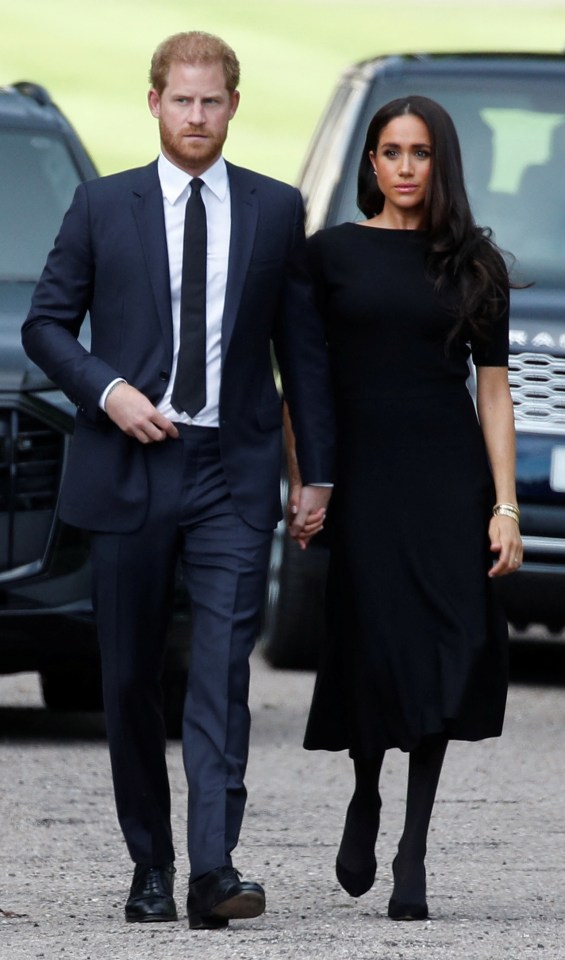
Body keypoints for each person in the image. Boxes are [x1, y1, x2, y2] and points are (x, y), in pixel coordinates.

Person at [22, 31, 334, 930]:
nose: (196, 116)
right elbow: (46, 327)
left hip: (229, 473)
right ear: (153, 102)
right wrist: (111, 392)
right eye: (181, 100)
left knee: (221, 674)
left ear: (235, 105)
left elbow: (300, 355)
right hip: (129, 467)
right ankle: (149, 866)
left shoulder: (277, 211)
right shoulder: (99, 206)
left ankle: (212, 869)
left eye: (212, 101)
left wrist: (315, 474)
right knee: (127, 679)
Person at [298, 95, 522, 920]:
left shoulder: (473, 265)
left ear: (440, 163)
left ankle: (412, 850)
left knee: (445, 649)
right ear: (370, 163)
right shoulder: (328, 258)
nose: (401, 167)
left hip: (446, 482)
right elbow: (304, 382)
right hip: (362, 482)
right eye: (388, 152)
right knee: (371, 645)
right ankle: (364, 791)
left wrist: (505, 507)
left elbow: (493, 395)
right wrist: (304, 478)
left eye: (418, 153)